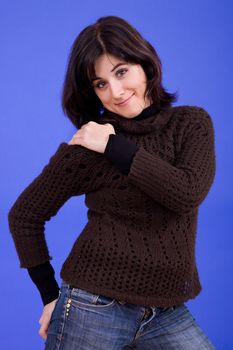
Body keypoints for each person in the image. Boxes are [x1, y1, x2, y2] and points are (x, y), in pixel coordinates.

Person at [8, 15, 217, 350]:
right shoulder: (87, 147)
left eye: (121, 72)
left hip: (167, 312)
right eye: (100, 83)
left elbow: (185, 193)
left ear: (145, 63)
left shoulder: (190, 124)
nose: (116, 92)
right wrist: (50, 297)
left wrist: (113, 145)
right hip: (93, 306)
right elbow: (24, 216)